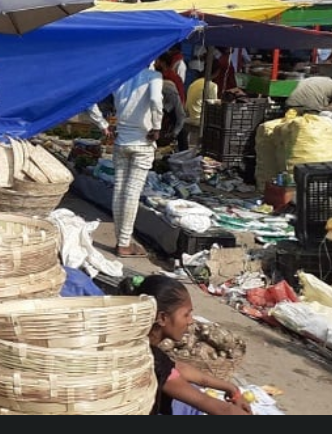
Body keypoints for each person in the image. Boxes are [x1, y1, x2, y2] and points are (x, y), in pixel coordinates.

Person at [121, 275, 252, 416]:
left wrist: (231, 388)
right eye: (186, 315)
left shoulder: (142, 345)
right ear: (163, 318)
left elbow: (180, 368)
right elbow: (210, 404)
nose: (190, 321)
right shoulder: (150, 363)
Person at [89, 64, 164, 258]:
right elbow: (156, 99)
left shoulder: (121, 74)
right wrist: (157, 126)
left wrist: (103, 125)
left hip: (121, 142)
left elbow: (90, 100)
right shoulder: (153, 76)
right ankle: (123, 244)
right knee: (131, 193)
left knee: (120, 190)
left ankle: (122, 241)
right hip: (143, 142)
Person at [184, 76, 219, 151]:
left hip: (191, 117)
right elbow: (213, 107)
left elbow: (186, 107)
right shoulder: (212, 86)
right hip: (200, 119)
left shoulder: (194, 83)